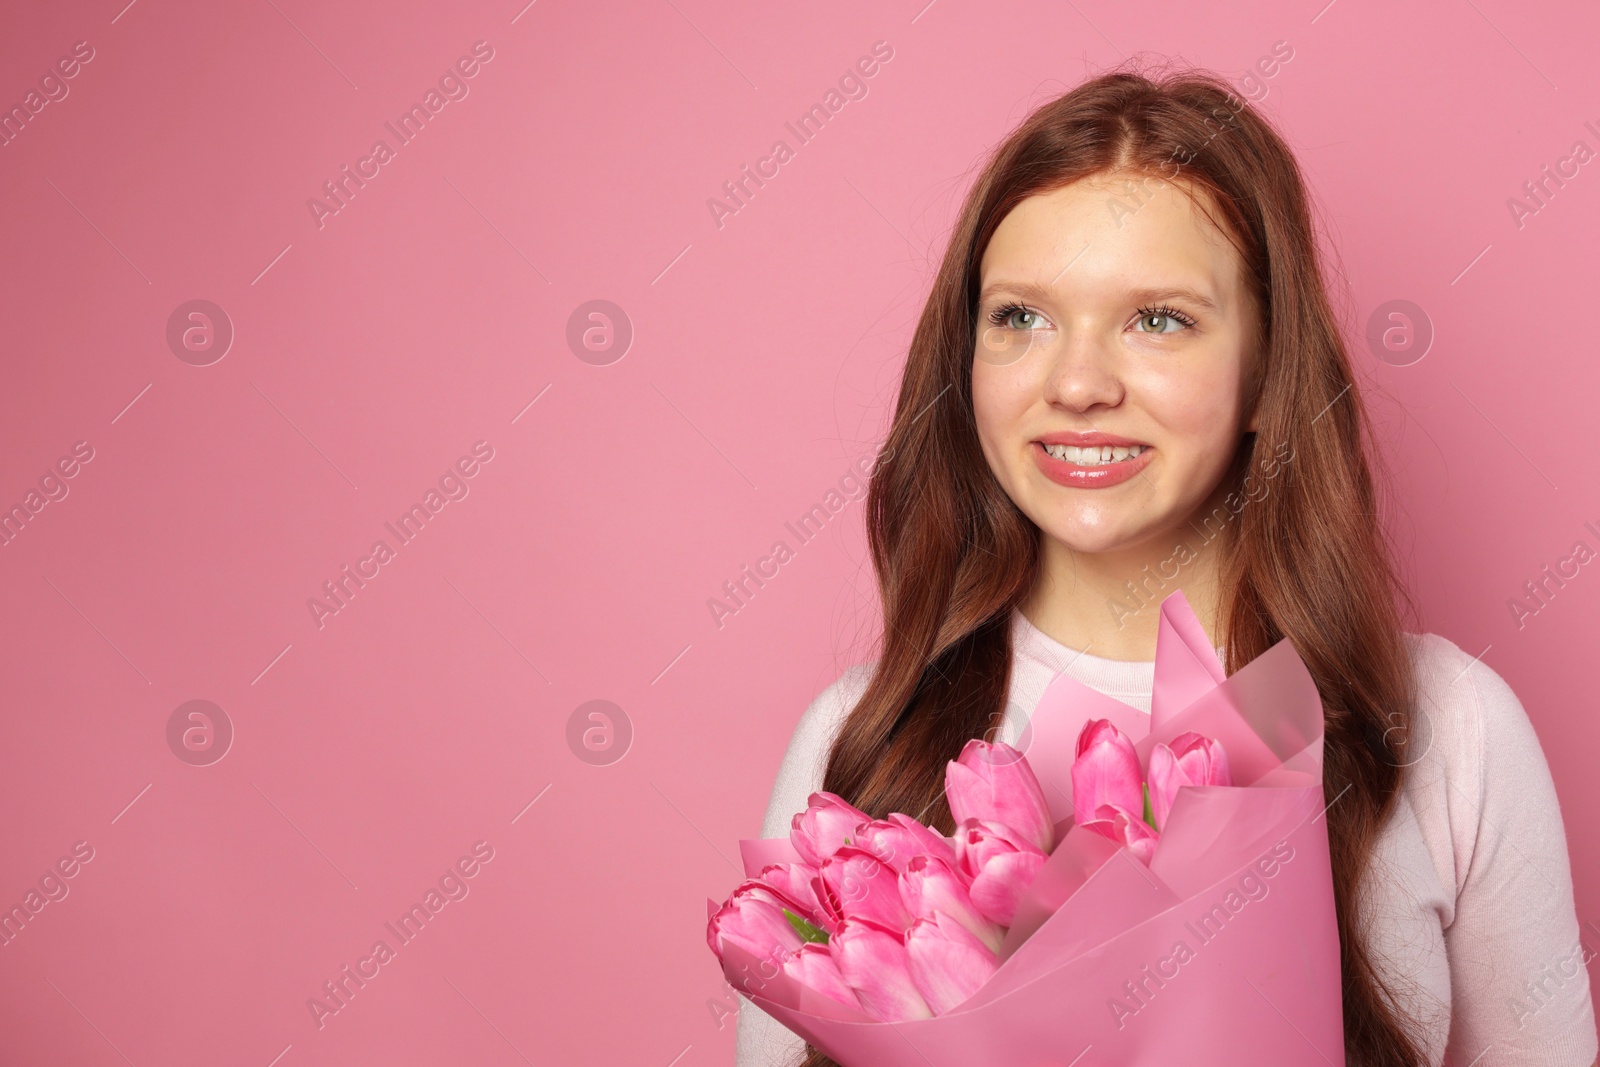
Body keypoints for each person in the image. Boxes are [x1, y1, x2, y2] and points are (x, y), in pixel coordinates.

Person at [733, 62, 1599, 1067]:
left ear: (1267, 375)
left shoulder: (1450, 728)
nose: (1077, 382)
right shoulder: (858, 738)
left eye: (1159, 318)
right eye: (1020, 316)